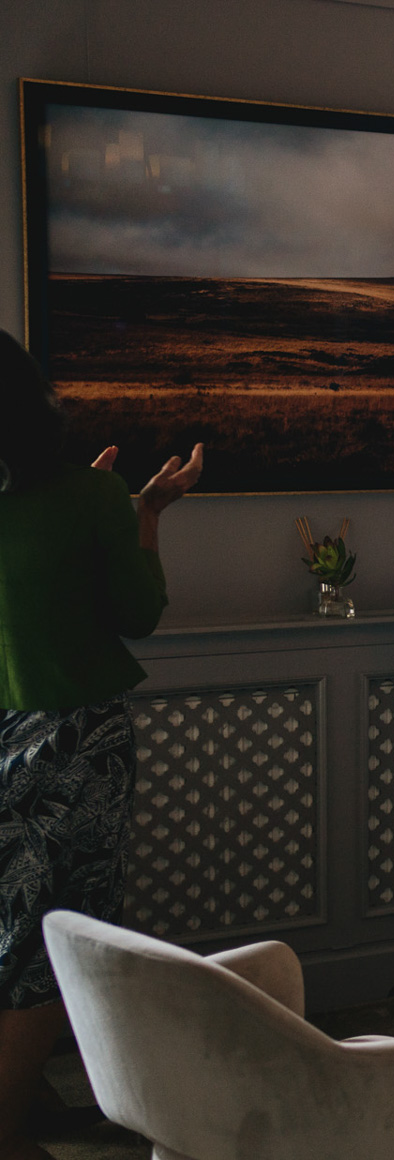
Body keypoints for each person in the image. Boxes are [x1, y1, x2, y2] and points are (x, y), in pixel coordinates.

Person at [0, 331, 202, 1160]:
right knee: (54, 941)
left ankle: (27, 1094)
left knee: (10, 932)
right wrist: (145, 510)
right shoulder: (88, 498)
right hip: (74, 745)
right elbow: (139, 612)